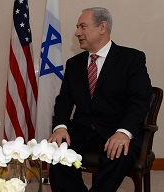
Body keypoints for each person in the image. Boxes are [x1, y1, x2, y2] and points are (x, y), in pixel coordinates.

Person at [48, 7, 152, 192]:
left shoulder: (131, 59)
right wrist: (60, 127)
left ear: (102, 27)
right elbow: (64, 100)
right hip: (82, 131)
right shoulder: (74, 64)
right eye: (77, 27)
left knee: (119, 153)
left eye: (83, 27)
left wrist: (123, 132)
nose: (77, 32)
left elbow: (140, 101)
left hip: (116, 130)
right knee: (56, 153)